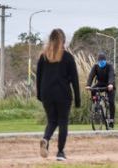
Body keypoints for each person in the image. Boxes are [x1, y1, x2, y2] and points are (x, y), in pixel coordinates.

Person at [36, 28, 80, 161]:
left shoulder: (43, 57)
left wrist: (39, 94)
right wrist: (78, 99)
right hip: (63, 93)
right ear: (63, 41)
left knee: (52, 120)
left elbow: (38, 77)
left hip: (46, 94)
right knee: (63, 122)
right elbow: (75, 80)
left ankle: (46, 138)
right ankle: (60, 152)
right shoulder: (68, 57)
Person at [86, 52, 115, 129]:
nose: (101, 63)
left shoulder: (109, 66)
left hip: (109, 85)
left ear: (105, 61)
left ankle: (111, 119)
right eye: (100, 61)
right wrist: (88, 85)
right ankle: (95, 105)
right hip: (100, 83)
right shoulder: (95, 66)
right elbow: (91, 75)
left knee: (111, 102)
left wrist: (111, 84)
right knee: (93, 89)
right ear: (98, 61)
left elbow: (111, 75)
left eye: (103, 61)